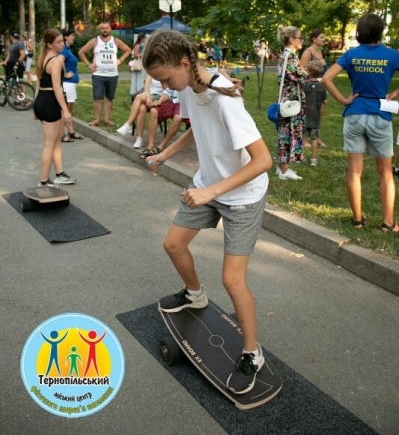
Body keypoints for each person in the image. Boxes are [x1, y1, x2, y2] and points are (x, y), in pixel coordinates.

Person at [141, 29, 272, 395]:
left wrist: (210, 191)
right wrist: (164, 154)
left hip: (242, 194)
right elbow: (196, 129)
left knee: (233, 280)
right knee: (173, 244)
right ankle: (195, 294)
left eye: (166, 79)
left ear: (185, 63)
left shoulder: (224, 96)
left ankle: (252, 353)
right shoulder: (187, 86)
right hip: (208, 185)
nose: (166, 87)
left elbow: (263, 160)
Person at [322, 13, 399, 232]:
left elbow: (326, 78)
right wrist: (395, 92)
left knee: (354, 171)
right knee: (385, 172)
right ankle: (388, 223)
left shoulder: (352, 55)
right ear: (380, 32)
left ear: (359, 32)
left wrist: (343, 100)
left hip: (354, 115)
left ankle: (357, 220)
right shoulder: (391, 55)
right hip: (380, 115)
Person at [33, 29, 76, 186]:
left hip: (43, 101)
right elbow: (57, 88)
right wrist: (65, 110)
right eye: (58, 42)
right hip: (51, 102)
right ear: (49, 44)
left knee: (56, 141)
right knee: (49, 144)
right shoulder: (56, 61)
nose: (62, 44)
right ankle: (43, 181)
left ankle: (59, 173)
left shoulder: (43, 58)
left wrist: (36, 107)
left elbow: (38, 85)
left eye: (62, 41)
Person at [78, 21, 131, 126]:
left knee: (109, 98)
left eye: (106, 28)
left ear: (110, 29)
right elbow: (81, 52)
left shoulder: (115, 41)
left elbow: (128, 50)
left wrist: (120, 60)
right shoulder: (95, 41)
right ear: (100, 30)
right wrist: (89, 64)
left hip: (112, 74)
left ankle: (107, 119)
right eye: (102, 28)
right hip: (98, 74)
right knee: (97, 97)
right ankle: (96, 119)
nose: (105, 30)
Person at [275, 25, 308, 181]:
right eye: (300, 37)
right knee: (288, 133)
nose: (302, 40)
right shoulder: (291, 56)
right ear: (291, 39)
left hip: (288, 99)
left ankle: (284, 167)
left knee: (287, 132)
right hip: (291, 102)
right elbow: (302, 77)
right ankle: (283, 171)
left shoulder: (286, 55)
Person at [116, 75, 170, 148]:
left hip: (159, 96)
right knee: (141, 108)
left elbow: (166, 89)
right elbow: (146, 86)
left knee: (138, 97)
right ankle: (139, 139)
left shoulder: (165, 72)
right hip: (148, 95)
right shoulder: (151, 71)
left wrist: (161, 78)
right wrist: (148, 97)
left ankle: (129, 124)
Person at [300, 28, 328, 147]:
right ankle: (304, 139)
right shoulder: (308, 52)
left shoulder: (320, 51)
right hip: (309, 85)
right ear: (314, 39)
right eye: (321, 37)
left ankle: (316, 137)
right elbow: (301, 69)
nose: (324, 39)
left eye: (323, 37)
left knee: (319, 111)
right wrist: (318, 65)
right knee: (308, 111)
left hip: (321, 84)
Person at [60, 28, 84, 142]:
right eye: (72, 35)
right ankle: (62, 133)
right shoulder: (64, 50)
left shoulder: (68, 49)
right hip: (67, 84)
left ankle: (70, 131)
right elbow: (60, 61)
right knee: (65, 110)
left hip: (71, 84)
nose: (74, 37)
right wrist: (65, 73)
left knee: (69, 111)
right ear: (66, 37)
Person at [303, 60, 328, 166]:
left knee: (302, 137)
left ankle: (301, 156)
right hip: (316, 117)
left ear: (309, 72)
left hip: (304, 116)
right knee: (314, 139)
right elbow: (325, 101)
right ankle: (313, 159)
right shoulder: (322, 87)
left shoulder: (304, 85)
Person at [129, 33, 147, 98]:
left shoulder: (140, 45)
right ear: (142, 38)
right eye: (144, 38)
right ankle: (137, 91)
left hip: (141, 63)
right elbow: (136, 55)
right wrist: (142, 55)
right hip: (138, 63)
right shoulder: (138, 45)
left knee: (142, 77)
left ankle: (140, 91)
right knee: (139, 78)